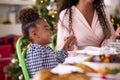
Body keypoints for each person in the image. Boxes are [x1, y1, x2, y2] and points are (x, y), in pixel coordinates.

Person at [18, 8, 76, 78]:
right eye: (46, 29)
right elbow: (40, 77)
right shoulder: (36, 52)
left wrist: (65, 47)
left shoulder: (44, 48)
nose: (51, 32)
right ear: (34, 34)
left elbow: (57, 61)